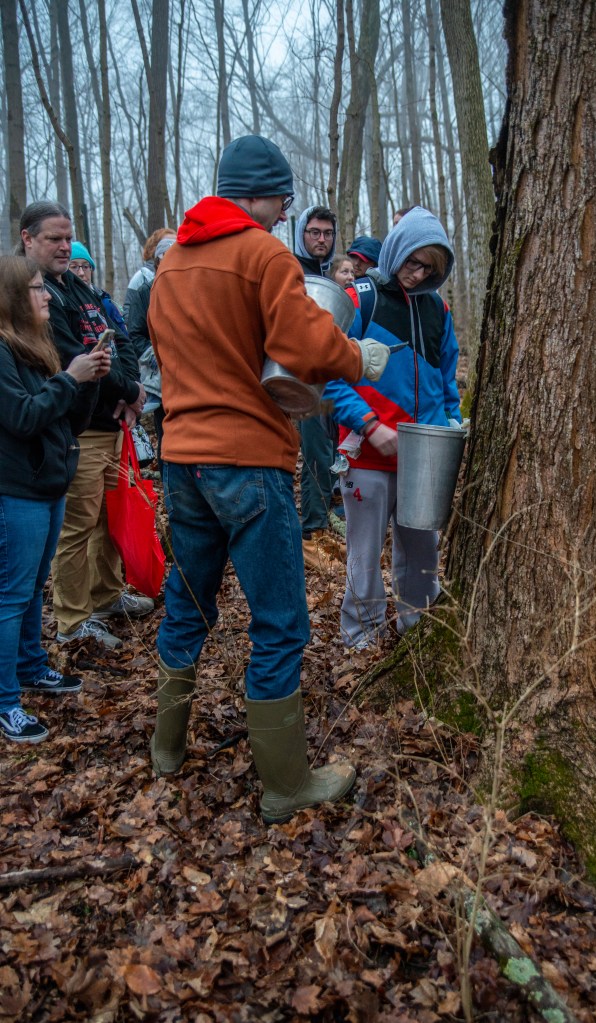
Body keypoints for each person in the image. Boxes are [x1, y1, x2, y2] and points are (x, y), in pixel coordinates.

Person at [147, 134, 389, 821]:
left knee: (187, 602)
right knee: (279, 620)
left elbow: (173, 350)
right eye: (282, 199)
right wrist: (353, 358)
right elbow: (301, 341)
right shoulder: (259, 254)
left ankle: (166, 748)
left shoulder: (173, 264)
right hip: (246, 458)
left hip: (182, 456)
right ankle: (285, 783)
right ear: (257, 192)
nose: (285, 213)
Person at [325, 207, 461, 650]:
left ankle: (418, 632)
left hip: (423, 456)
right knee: (364, 553)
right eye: (411, 262)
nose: (417, 274)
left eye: (428, 267)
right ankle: (360, 637)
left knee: (422, 549)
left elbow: (445, 383)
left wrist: (449, 430)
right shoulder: (360, 298)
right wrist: (368, 425)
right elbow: (328, 373)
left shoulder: (438, 309)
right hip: (367, 450)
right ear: (396, 250)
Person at [19, 202, 153, 651]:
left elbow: (120, 338)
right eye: (53, 239)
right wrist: (129, 392)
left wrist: (130, 388)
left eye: (67, 238)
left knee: (106, 516)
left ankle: (107, 596)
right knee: (77, 524)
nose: (62, 246)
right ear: (27, 239)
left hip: (111, 419)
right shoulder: (34, 295)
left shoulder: (78, 287)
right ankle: (73, 620)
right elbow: (76, 355)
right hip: (78, 429)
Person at [0, 256, 111, 743]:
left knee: (32, 588)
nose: (48, 296)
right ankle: (5, 702)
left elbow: (66, 421)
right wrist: (71, 377)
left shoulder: (34, 346)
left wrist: (90, 380)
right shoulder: (1, 350)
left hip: (49, 485)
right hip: (15, 491)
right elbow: (23, 417)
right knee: (11, 595)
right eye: (38, 289)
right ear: (12, 297)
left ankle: (31, 666)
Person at [293, 206, 345, 562]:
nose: (321, 239)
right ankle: (311, 535)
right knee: (314, 452)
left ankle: (321, 525)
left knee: (328, 450)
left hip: (331, 379)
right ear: (302, 234)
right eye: (314, 232)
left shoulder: (332, 274)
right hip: (296, 380)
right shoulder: (292, 271)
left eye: (327, 233)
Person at [125, 234, 176, 453]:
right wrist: (162, 360)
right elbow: (134, 334)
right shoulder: (144, 282)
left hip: (190, 375)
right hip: (162, 376)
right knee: (168, 437)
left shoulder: (185, 279)